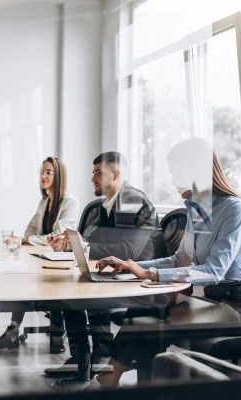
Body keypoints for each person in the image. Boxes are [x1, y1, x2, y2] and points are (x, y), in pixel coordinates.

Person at [89, 137, 241, 389]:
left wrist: (151, 274)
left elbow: (214, 271)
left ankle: (113, 375)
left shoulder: (233, 209)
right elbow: (178, 259)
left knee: (151, 323)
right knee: (143, 309)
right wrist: (132, 265)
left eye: (176, 172)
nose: (172, 181)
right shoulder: (196, 209)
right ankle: (125, 380)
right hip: (214, 300)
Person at [44, 152, 159, 378]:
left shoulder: (131, 200)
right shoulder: (103, 206)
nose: (92, 178)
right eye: (93, 173)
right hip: (114, 273)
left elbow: (128, 252)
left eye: (98, 173)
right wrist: (70, 244)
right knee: (64, 289)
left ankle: (100, 355)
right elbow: (96, 244)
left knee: (77, 288)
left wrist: (84, 245)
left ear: (116, 174)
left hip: (139, 277)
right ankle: (82, 357)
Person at [0, 156, 79, 349]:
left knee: (26, 279)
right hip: (43, 257)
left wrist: (30, 239)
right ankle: (13, 332)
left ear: (58, 175)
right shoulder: (44, 201)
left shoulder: (70, 202)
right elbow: (30, 230)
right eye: (41, 172)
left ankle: (43, 335)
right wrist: (29, 238)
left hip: (61, 262)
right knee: (21, 277)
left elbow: (57, 236)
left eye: (48, 172)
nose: (43, 176)